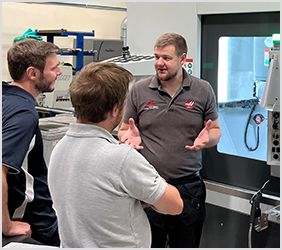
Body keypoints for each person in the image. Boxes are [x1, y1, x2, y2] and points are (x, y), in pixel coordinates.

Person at [47, 62, 183, 248]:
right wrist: (156, 181)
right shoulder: (121, 158)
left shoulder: (59, 148)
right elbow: (174, 204)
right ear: (115, 110)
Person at [118, 32, 221, 248]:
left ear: (183, 59)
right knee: (147, 244)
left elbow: (215, 130)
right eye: (156, 57)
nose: (159, 63)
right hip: (149, 185)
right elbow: (125, 129)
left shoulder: (203, 90)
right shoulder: (139, 90)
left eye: (166, 58)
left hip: (188, 187)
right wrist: (127, 137)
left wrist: (207, 139)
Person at [2, 38, 62, 246]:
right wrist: (7, 225)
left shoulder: (5, 97)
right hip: (32, 221)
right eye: (54, 68)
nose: (59, 73)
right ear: (33, 73)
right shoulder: (24, 114)